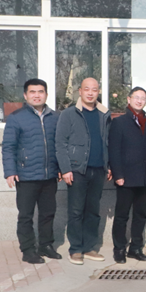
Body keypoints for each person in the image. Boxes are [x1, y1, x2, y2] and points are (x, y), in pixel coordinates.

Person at [2, 79, 61, 264]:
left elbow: (60, 145)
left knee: (48, 213)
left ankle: (46, 245)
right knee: (26, 215)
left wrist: (60, 168)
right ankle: (28, 250)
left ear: (46, 95)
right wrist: (10, 171)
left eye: (40, 91)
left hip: (49, 175)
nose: (37, 95)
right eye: (32, 92)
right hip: (26, 175)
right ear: (25, 95)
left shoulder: (55, 117)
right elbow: (8, 146)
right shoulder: (16, 117)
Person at [56, 78, 111, 265]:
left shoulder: (104, 114)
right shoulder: (69, 114)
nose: (90, 93)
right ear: (80, 91)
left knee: (93, 211)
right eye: (87, 89)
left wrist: (109, 165)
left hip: (99, 169)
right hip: (77, 170)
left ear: (98, 92)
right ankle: (76, 249)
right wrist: (65, 169)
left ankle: (89, 248)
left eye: (94, 89)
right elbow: (60, 143)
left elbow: (107, 142)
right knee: (76, 211)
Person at [109, 87, 146, 264]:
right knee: (122, 215)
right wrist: (118, 174)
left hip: (145, 176)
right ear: (129, 99)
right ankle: (119, 248)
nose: (139, 100)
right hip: (126, 177)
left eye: (143, 98)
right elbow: (114, 150)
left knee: (140, 214)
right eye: (136, 97)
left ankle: (136, 248)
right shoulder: (119, 122)